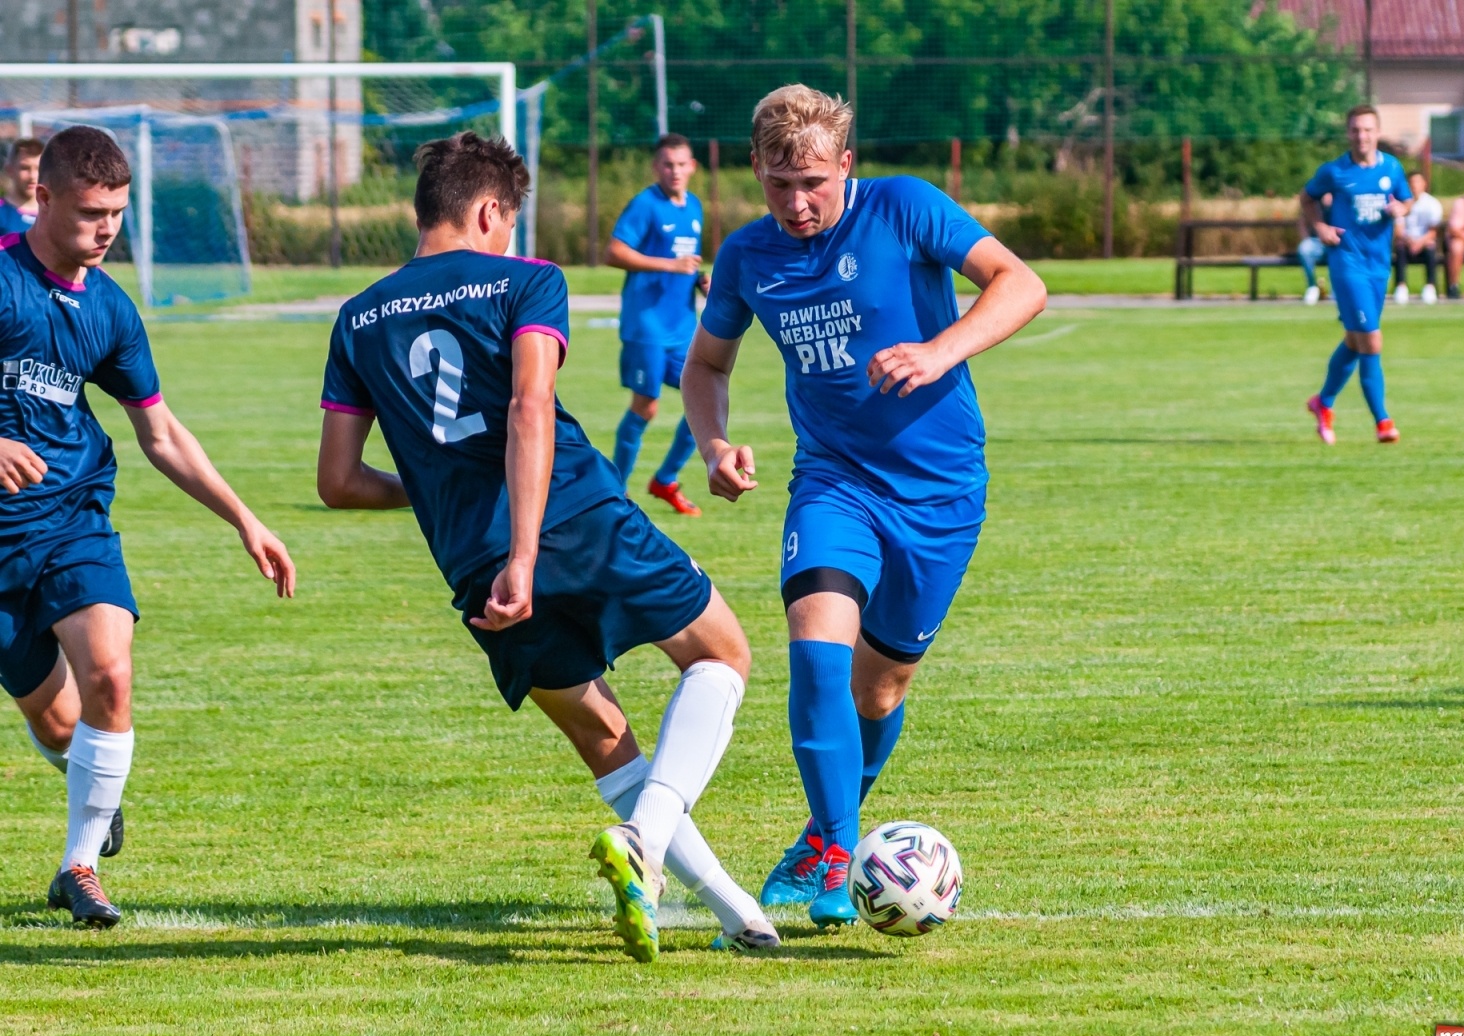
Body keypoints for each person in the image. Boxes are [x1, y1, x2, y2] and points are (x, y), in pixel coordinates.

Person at [316, 132, 776, 962]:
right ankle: (644, 840)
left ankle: (739, 915)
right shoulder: (526, 280)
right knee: (721, 654)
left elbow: (339, 482)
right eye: (508, 221)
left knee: (604, 738)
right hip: (574, 517)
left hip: (471, 560)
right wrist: (526, 554)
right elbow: (529, 408)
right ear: (489, 211)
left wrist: (446, 496)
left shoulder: (357, 319)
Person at [680, 85, 1046, 928]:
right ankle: (839, 854)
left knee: (878, 693)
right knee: (816, 653)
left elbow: (1020, 284)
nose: (797, 203)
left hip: (940, 492)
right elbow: (706, 366)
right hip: (833, 482)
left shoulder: (905, 207)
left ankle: (819, 832)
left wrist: (938, 350)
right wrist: (714, 445)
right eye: (779, 185)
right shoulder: (746, 257)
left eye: (813, 182)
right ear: (756, 171)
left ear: (845, 164)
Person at [1, 126, 296, 928]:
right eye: (91, 213)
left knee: (110, 675)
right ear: (43, 197)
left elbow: (159, 433)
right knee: (58, 722)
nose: (107, 230)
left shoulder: (110, 308)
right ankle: (91, 792)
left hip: (72, 520)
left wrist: (244, 518)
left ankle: (80, 865)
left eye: (118, 214)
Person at [606, 133, 710, 517]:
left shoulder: (694, 206)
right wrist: (670, 266)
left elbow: (686, 262)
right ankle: (614, 493)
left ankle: (665, 480)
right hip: (647, 326)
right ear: (656, 167)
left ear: (692, 167)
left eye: (681, 164)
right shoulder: (645, 205)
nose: (675, 171)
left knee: (704, 401)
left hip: (682, 326)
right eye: (667, 164)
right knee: (646, 407)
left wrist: (700, 280)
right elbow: (614, 251)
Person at [1301, 105, 1410, 447]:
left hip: (1379, 265)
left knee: (1355, 340)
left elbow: (1406, 199)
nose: (1361, 136)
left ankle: (1323, 403)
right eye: (1355, 130)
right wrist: (1320, 227)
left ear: (1377, 132)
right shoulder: (1335, 171)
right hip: (1347, 263)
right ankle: (1383, 422)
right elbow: (1307, 198)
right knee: (1372, 340)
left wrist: (1401, 208)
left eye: (1367, 130)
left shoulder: (1392, 168)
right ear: (1348, 133)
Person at [1392, 171, 1441, 305]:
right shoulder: (1401, 204)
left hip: (1424, 242)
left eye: (1417, 182)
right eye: (1412, 182)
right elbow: (1399, 230)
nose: (1414, 185)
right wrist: (1410, 241)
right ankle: (1401, 287)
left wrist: (1420, 242)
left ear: (1424, 184)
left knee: (1431, 247)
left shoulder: (1432, 203)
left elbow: (1433, 231)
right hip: (1406, 242)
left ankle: (1430, 287)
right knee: (1400, 247)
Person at [0, 137, 44, 235]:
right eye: (25, 168)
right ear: (9, 170)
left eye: (38, 168)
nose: (32, 176)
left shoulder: (54, 214)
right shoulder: (2, 213)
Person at [1298, 197, 1330, 305]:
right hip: (1316, 241)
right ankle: (1312, 287)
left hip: (1337, 241)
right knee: (1304, 248)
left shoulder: (1342, 197)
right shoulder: (1313, 199)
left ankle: (1337, 291)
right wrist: (1305, 238)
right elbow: (1302, 221)